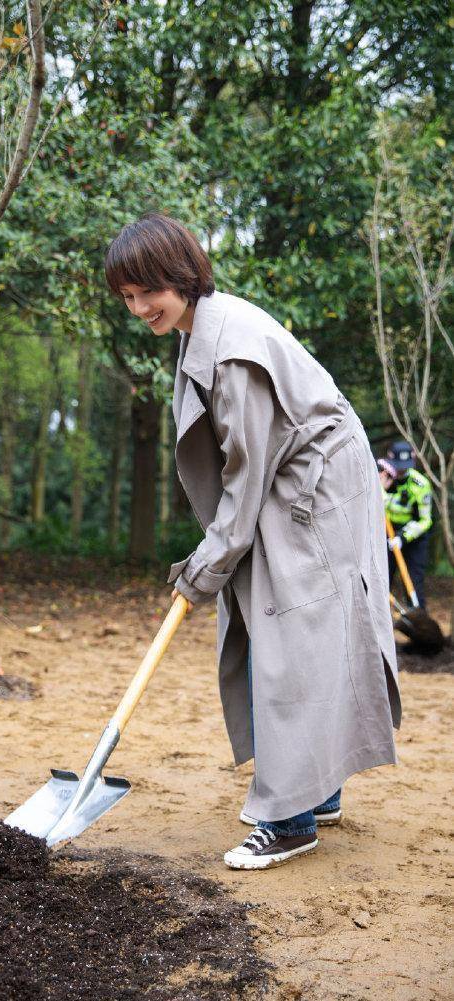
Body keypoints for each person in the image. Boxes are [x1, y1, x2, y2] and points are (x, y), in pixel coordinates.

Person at [104, 213, 401, 871]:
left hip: (315, 488)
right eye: (127, 296)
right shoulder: (202, 329)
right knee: (293, 635)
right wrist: (215, 557)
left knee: (286, 639)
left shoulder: (233, 350)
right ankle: (318, 792)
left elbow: (245, 481)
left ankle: (289, 820)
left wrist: (204, 566)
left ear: (182, 275)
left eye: (148, 290)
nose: (140, 307)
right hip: (293, 479)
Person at [378, 443, 432, 609]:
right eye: (398, 466)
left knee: (414, 581)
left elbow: (425, 520)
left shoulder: (420, 484)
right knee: (381, 578)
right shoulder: (381, 477)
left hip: (412, 536)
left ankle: (417, 617)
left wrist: (402, 537)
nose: (401, 471)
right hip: (386, 531)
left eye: (405, 466)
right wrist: (380, 489)